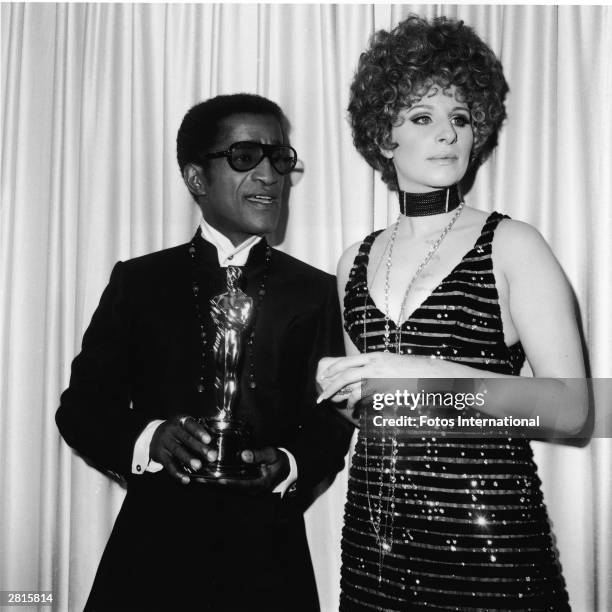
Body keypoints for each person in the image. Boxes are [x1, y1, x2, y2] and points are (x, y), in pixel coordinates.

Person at [316, 15, 587, 611]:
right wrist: (348, 397)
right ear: (383, 136)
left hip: (487, 546)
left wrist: (416, 371)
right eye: (422, 117)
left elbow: (572, 410)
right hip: (374, 546)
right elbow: (380, 414)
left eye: (460, 118)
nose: (448, 134)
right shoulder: (353, 262)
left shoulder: (513, 244)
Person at [56, 93, 353, 611]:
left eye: (279, 158)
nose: (269, 175)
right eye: (245, 158)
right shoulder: (140, 282)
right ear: (196, 178)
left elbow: (330, 422)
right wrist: (149, 439)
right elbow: (81, 409)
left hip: (270, 560)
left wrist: (288, 463)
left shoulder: (315, 291)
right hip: (151, 554)